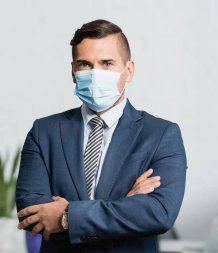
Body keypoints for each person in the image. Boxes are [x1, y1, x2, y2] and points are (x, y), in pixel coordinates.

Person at [16, 19, 187, 253]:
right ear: (73, 72)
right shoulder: (43, 132)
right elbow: (32, 213)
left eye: (107, 63)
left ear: (129, 71)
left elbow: (159, 213)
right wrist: (126, 205)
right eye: (85, 64)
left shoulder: (161, 135)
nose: (95, 74)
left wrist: (67, 217)